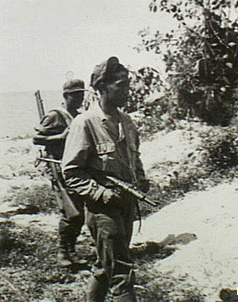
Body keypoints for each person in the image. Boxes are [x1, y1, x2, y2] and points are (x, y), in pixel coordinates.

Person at [62, 57, 149, 302]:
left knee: (105, 266)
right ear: (101, 88)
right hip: (103, 209)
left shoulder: (127, 122)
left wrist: (140, 179)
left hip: (126, 205)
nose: (127, 91)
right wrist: (102, 194)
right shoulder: (85, 123)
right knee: (122, 272)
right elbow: (71, 172)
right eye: (120, 85)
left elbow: (135, 157)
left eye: (127, 84)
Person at [33, 79, 86, 267]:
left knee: (80, 212)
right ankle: (63, 252)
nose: (80, 98)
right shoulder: (55, 116)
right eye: (76, 95)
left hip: (75, 167)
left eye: (82, 94)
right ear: (66, 96)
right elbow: (37, 138)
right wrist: (60, 136)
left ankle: (71, 250)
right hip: (58, 168)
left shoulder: (78, 117)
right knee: (72, 212)